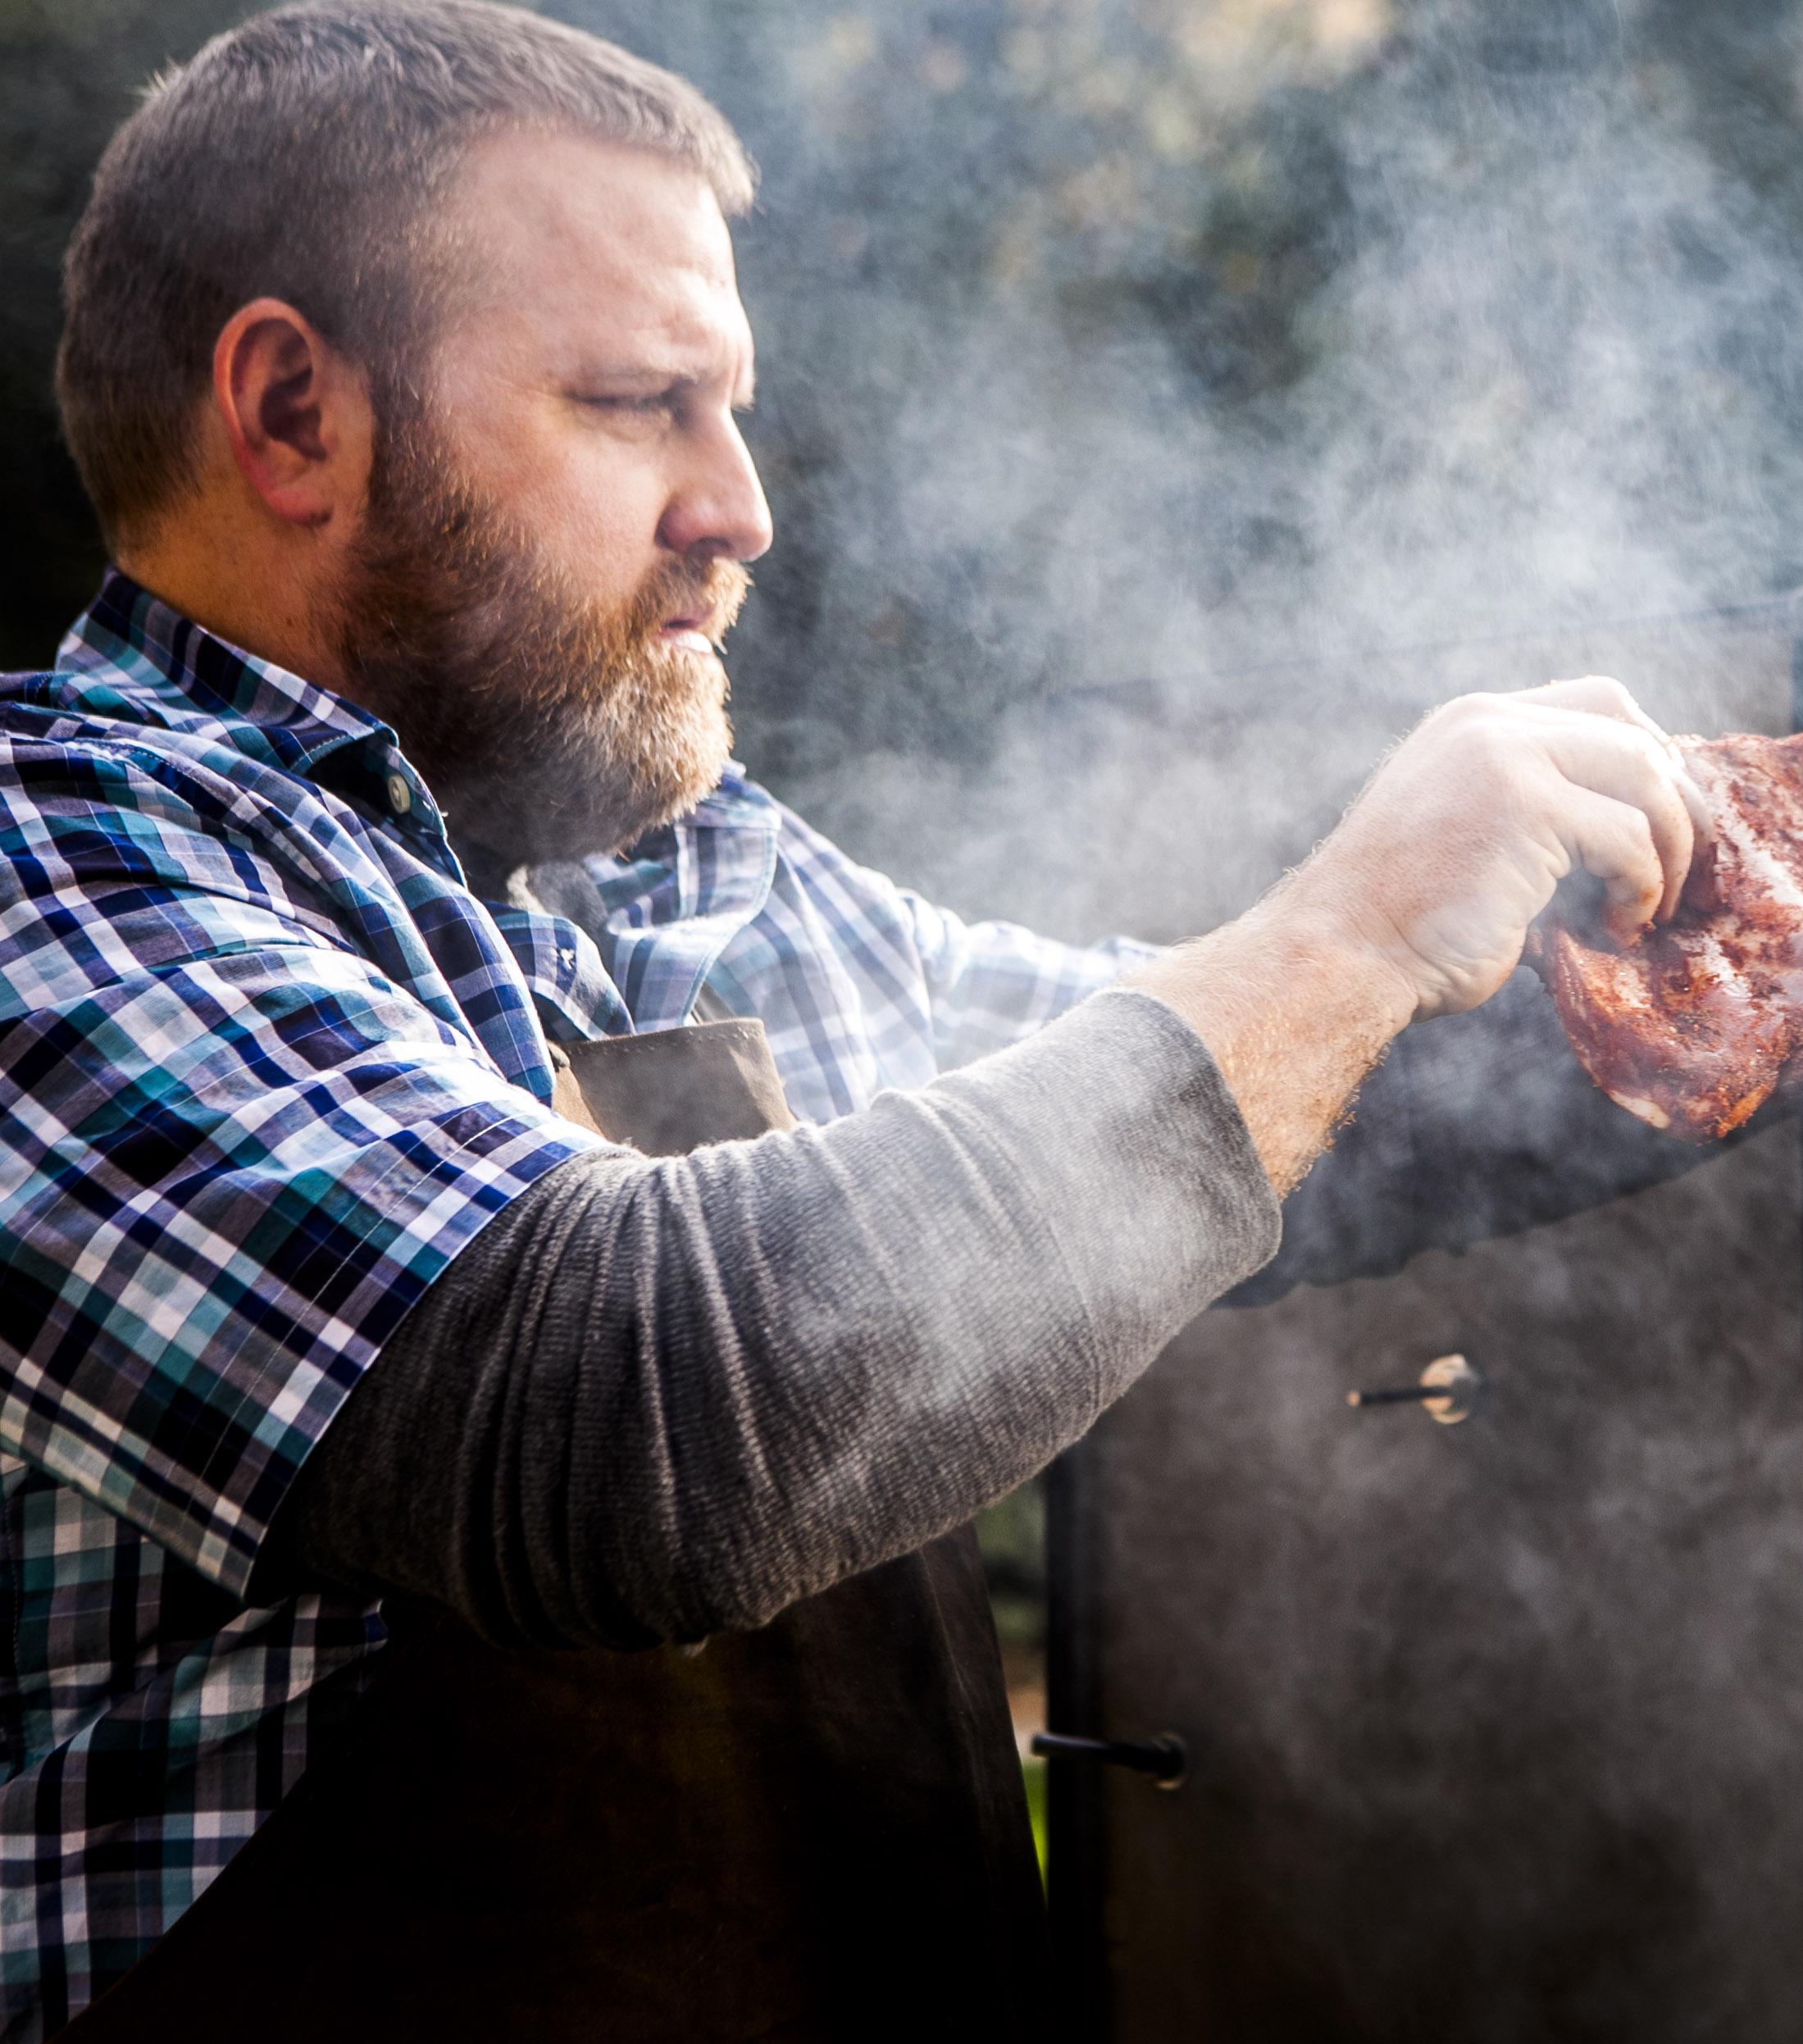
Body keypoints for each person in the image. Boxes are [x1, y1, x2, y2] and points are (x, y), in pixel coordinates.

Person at [0, 4, 1711, 2035]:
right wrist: (1340, 931)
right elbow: (621, 1413)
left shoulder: (670, 874)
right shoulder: (55, 869)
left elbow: (1293, 1108)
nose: (743, 507)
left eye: (733, 412)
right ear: (291, 412)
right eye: (645, 402)